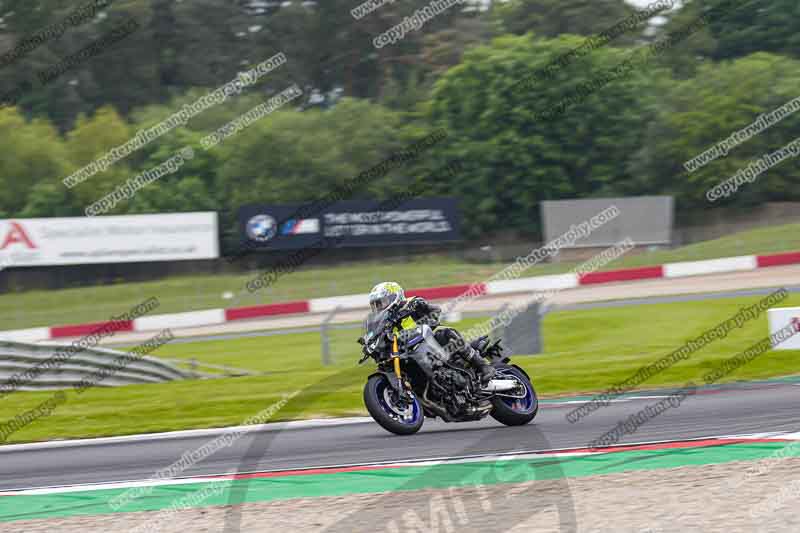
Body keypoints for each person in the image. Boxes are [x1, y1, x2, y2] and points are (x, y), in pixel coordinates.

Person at [367, 281, 496, 383]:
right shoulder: (386, 321)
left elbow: (435, 311)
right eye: (376, 305)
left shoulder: (410, 303)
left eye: (381, 303)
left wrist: (421, 309)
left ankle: (483, 365)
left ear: (394, 297)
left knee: (445, 332)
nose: (378, 307)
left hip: (427, 343)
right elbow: (379, 335)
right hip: (407, 352)